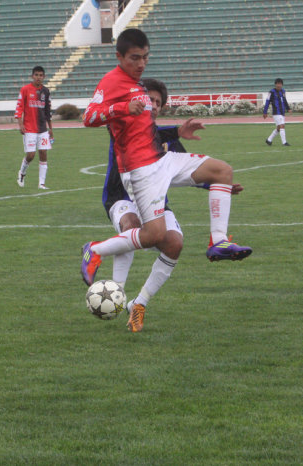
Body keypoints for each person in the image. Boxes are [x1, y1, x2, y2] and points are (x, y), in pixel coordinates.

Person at [82, 28, 252, 332]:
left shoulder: (146, 109)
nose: (142, 63)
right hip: (131, 180)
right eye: (136, 58)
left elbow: (158, 140)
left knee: (220, 173)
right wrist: (123, 108)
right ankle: (98, 254)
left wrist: (217, 185)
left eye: (146, 57)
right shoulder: (115, 84)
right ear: (119, 56)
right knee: (144, 232)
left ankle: (217, 242)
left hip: (159, 167)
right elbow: (89, 117)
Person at [101, 77, 243, 290]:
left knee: (174, 244)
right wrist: (176, 130)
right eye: (150, 100)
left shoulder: (169, 142)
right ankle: (116, 290)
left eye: (158, 103)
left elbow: (186, 173)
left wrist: (217, 184)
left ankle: (140, 303)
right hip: (121, 197)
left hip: (156, 201)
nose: (154, 106)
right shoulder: (123, 127)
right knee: (131, 223)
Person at [15, 66, 53, 189]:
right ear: (32, 76)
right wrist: (21, 125)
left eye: (41, 75)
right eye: (36, 75)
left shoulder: (46, 91)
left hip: (42, 129)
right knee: (31, 155)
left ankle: (41, 183)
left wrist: (50, 129)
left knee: (43, 153)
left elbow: (48, 111)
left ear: (44, 77)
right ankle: (22, 173)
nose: (38, 77)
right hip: (29, 128)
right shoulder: (25, 90)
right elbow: (19, 108)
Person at [263, 78, 291, 146]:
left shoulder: (283, 91)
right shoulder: (271, 92)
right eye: (278, 83)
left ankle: (269, 140)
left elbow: (284, 100)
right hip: (276, 112)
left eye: (280, 84)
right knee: (282, 126)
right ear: (275, 84)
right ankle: (284, 142)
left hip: (282, 112)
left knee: (278, 128)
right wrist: (265, 112)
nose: (279, 85)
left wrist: (288, 108)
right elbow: (267, 102)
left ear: (282, 84)